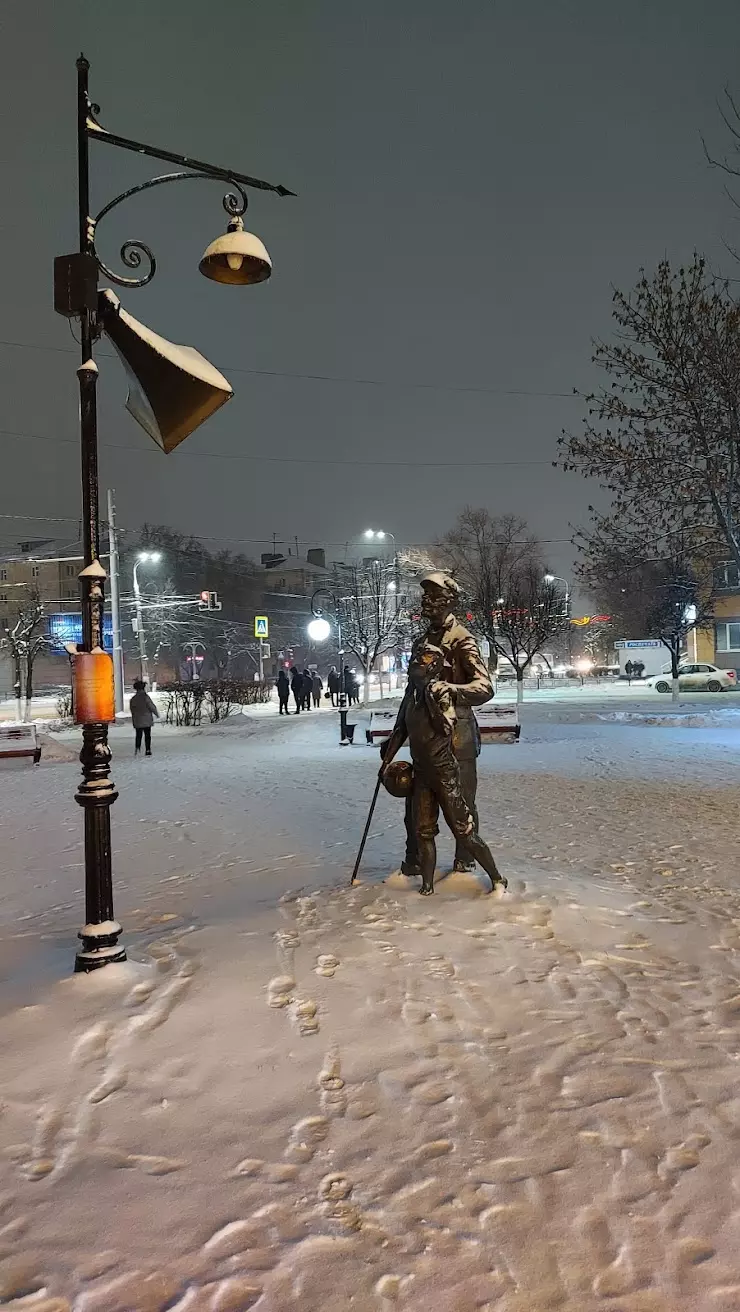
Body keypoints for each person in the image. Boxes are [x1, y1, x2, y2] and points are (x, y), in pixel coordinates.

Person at [380, 572, 506, 895]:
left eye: (433, 597)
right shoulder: (421, 642)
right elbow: (411, 693)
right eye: (425, 597)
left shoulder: (462, 639)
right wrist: (396, 736)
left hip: (458, 739)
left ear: (449, 601)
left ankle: (465, 863)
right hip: (424, 741)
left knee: (463, 808)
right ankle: (415, 862)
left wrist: (447, 691)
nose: (426, 603)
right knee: (416, 811)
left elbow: (485, 687)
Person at [130, 678, 159, 756]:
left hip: (138, 719)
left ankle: (137, 748)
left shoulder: (133, 699)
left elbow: (132, 709)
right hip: (146, 718)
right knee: (147, 735)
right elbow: (151, 706)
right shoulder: (145, 697)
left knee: (138, 734)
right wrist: (156, 714)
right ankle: (148, 749)